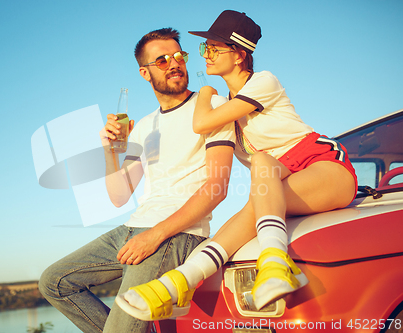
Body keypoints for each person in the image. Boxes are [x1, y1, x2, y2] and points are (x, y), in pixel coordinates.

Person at [117, 10, 358, 320]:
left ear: (240, 55)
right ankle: (176, 284)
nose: (206, 55)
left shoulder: (262, 82)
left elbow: (201, 122)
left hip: (323, 164)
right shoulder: (230, 101)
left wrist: (204, 92)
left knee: (259, 165)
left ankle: (275, 262)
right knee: (254, 204)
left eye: (215, 48)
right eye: (205, 48)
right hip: (275, 176)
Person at [38, 27, 236, 333]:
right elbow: (119, 195)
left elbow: (217, 189)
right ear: (145, 73)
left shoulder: (213, 108)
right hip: (133, 228)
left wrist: (155, 235)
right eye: (161, 61)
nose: (174, 63)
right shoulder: (144, 126)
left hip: (174, 234)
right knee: (54, 282)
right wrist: (110, 152)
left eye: (178, 55)